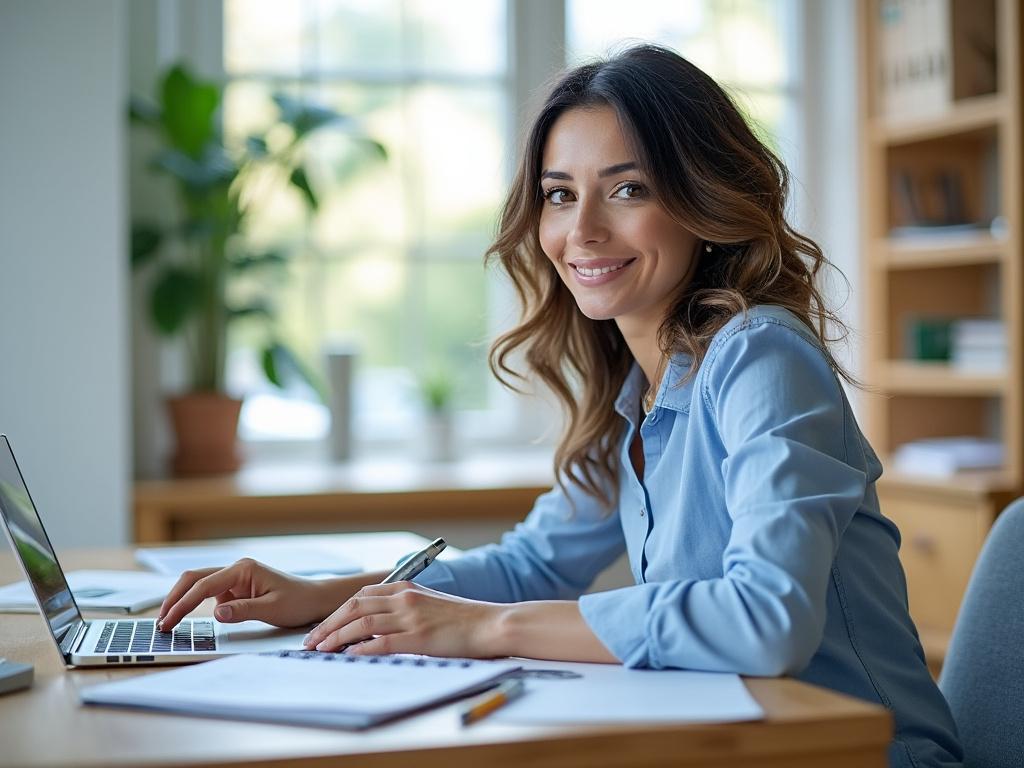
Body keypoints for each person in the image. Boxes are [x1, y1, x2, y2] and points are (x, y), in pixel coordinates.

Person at [158, 45, 962, 767]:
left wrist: (482, 630)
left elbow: (765, 619)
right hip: (735, 744)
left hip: (861, 753)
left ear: (701, 202)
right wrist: (316, 595)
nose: (583, 230)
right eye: (558, 194)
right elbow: (528, 567)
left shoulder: (759, 356)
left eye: (628, 188)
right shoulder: (637, 391)